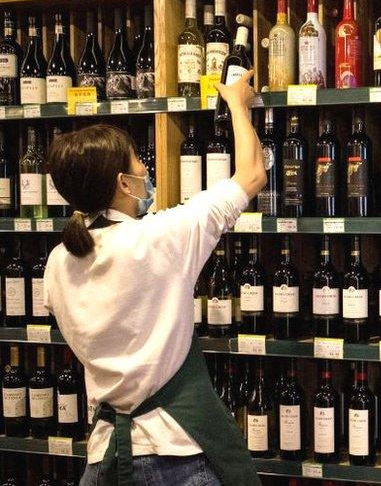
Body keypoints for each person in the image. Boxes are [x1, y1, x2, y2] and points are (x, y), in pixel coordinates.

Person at [44, 71, 265, 486]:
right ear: (123, 183)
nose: (146, 168)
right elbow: (252, 174)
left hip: (105, 459)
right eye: (138, 162)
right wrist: (238, 102)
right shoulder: (161, 236)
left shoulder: (58, 262)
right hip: (177, 456)